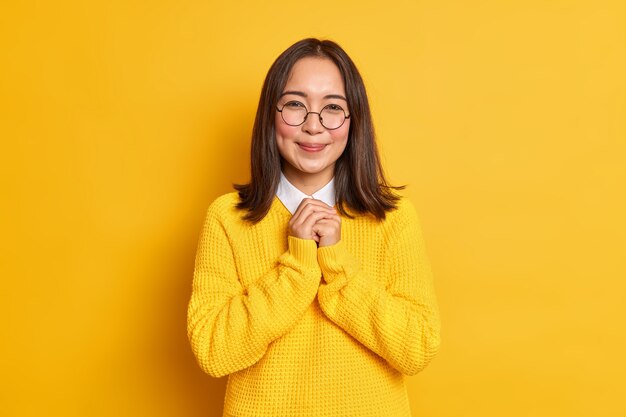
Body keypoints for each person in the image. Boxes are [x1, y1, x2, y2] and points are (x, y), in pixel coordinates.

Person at [187, 38, 441, 417]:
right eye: (295, 105)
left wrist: (336, 264)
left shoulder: (393, 217)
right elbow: (213, 350)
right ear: (270, 115)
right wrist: (297, 265)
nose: (312, 126)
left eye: (333, 108)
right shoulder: (227, 218)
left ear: (354, 122)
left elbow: (417, 347)